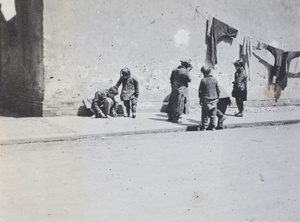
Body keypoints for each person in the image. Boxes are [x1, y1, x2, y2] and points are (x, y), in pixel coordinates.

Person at [167, 59, 193, 123]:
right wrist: (188, 70)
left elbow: (171, 79)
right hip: (182, 89)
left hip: (174, 88)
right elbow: (189, 79)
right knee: (180, 104)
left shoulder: (174, 70)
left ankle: (170, 117)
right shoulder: (185, 71)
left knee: (172, 103)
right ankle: (175, 118)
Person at [198, 66, 220, 131]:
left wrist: (200, 99)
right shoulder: (215, 80)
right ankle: (212, 126)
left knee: (205, 114)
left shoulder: (203, 80)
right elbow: (218, 90)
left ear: (204, 73)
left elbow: (200, 91)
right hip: (214, 99)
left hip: (205, 99)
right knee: (213, 114)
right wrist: (217, 97)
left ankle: (204, 126)